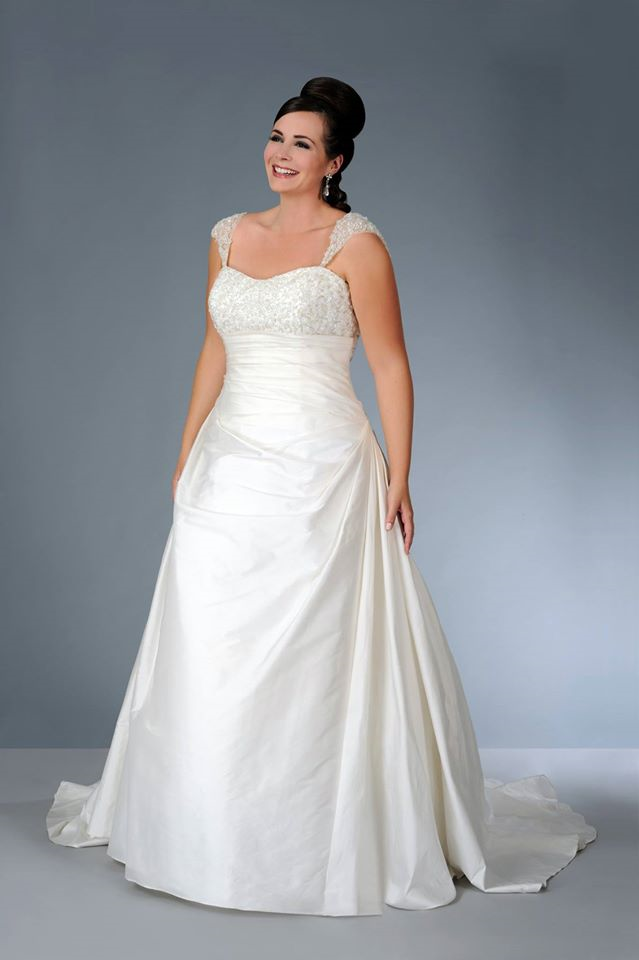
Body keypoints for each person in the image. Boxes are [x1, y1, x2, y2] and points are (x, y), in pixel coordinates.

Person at [45, 76, 596, 917]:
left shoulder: (357, 245)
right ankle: (207, 823)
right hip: (230, 462)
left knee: (315, 649)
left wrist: (400, 474)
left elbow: (389, 364)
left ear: (334, 162)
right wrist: (186, 449)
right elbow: (213, 347)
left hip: (321, 464)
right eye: (276, 136)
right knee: (214, 637)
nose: (281, 153)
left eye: (301, 143)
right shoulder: (227, 235)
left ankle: (307, 829)